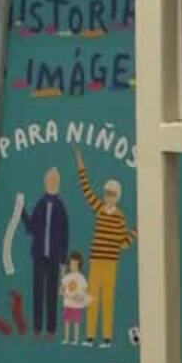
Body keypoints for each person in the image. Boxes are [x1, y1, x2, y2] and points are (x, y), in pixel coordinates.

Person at [76, 147, 137, 348]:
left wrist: (136, 231)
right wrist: (81, 166)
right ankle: (90, 335)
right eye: (106, 193)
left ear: (117, 196)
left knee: (108, 299)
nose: (108, 196)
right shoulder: (99, 208)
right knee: (92, 298)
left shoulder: (120, 217)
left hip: (111, 263)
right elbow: (86, 191)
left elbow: (123, 243)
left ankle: (107, 337)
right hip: (96, 261)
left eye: (112, 194)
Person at [20, 166, 71, 339]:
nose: (52, 183)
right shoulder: (40, 205)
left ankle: (50, 329)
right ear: (45, 182)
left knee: (51, 293)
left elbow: (65, 235)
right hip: (39, 256)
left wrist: (63, 261)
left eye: (54, 180)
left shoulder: (61, 207)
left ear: (58, 184)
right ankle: (37, 327)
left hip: (54, 258)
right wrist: (21, 211)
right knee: (38, 292)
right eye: (49, 180)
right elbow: (31, 228)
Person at [60, 252, 92, 346]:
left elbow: (85, 290)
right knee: (66, 321)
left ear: (79, 265)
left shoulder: (81, 277)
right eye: (71, 264)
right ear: (69, 264)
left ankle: (76, 340)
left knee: (76, 322)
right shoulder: (66, 277)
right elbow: (60, 291)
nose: (73, 266)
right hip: (67, 304)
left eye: (75, 264)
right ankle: (66, 339)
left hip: (77, 305)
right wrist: (67, 295)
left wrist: (80, 297)